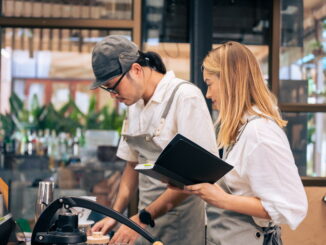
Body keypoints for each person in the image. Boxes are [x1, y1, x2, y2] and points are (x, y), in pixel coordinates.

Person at [171, 41, 308, 245]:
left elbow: (291, 206)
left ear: (229, 81)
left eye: (209, 84)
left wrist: (222, 199)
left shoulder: (260, 133)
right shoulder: (241, 129)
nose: (208, 95)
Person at [89, 35, 218, 245]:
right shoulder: (134, 104)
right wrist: (115, 216)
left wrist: (142, 219)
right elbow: (132, 164)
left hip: (180, 223)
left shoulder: (185, 97)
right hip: (145, 220)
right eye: (107, 89)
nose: (113, 96)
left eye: (114, 87)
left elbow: (197, 177)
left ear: (136, 70)